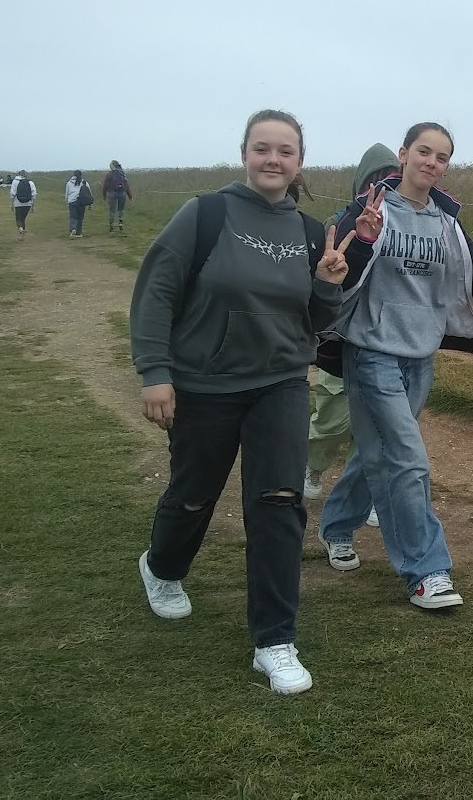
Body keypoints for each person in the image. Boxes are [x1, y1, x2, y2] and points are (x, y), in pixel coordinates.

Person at [129, 109, 352, 695]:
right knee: (194, 494)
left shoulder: (310, 232)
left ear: (299, 162)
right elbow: (156, 292)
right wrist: (155, 372)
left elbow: (312, 322)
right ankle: (162, 567)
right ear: (245, 153)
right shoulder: (204, 215)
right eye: (262, 148)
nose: (273, 159)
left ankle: (274, 641)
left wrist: (328, 285)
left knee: (279, 504)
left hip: (280, 383)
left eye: (285, 151)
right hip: (205, 383)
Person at [318, 123, 473, 610]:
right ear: (403, 154)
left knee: (378, 449)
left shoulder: (446, 221)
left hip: (420, 357)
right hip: (371, 351)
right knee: (407, 459)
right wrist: (363, 239)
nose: (432, 162)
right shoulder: (371, 207)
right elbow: (339, 277)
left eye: (442, 157)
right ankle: (426, 571)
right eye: (424, 151)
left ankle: (336, 525)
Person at [304, 144, 399, 540]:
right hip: (340, 345)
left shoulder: (405, 225)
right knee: (332, 421)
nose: (381, 189)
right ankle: (312, 467)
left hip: (383, 344)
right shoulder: (338, 222)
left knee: (379, 430)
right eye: (374, 181)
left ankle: (372, 493)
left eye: (389, 181)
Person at [103, 160, 132, 233]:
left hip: (112, 193)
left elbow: (105, 185)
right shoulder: (122, 173)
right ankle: (120, 224)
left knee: (112, 211)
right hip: (122, 193)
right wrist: (130, 195)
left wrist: (104, 195)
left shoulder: (109, 174)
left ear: (113, 166)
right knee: (121, 210)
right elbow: (126, 185)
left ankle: (111, 226)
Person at [65, 170, 92, 237]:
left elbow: (67, 193)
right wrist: (90, 203)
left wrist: (67, 201)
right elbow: (89, 193)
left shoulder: (69, 183)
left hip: (72, 201)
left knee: (73, 216)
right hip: (81, 201)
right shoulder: (84, 182)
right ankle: (79, 233)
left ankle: (73, 229)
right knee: (80, 217)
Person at [10, 170, 35, 236]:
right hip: (28, 203)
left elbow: (12, 194)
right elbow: (33, 195)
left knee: (18, 219)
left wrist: (12, 204)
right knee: (23, 219)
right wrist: (33, 206)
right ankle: (22, 235)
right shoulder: (30, 182)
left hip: (18, 203)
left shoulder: (15, 181)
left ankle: (21, 230)